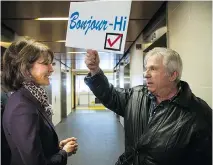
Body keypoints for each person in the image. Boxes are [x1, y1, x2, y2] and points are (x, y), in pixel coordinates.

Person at [84, 48, 212, 165]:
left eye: (153, 69)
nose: (146, 74)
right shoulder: (136, 95)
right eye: (146, 68)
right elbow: (110, 95)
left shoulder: (198, 113)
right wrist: (95, 70)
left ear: (173, 75)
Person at [2, 37, 78, 165]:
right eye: (45, 63)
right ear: (25, 69)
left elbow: (31, 148)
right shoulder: (22, 107)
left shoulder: (30, 98)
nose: (51, 69)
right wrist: (63, 153)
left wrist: (57, 148)